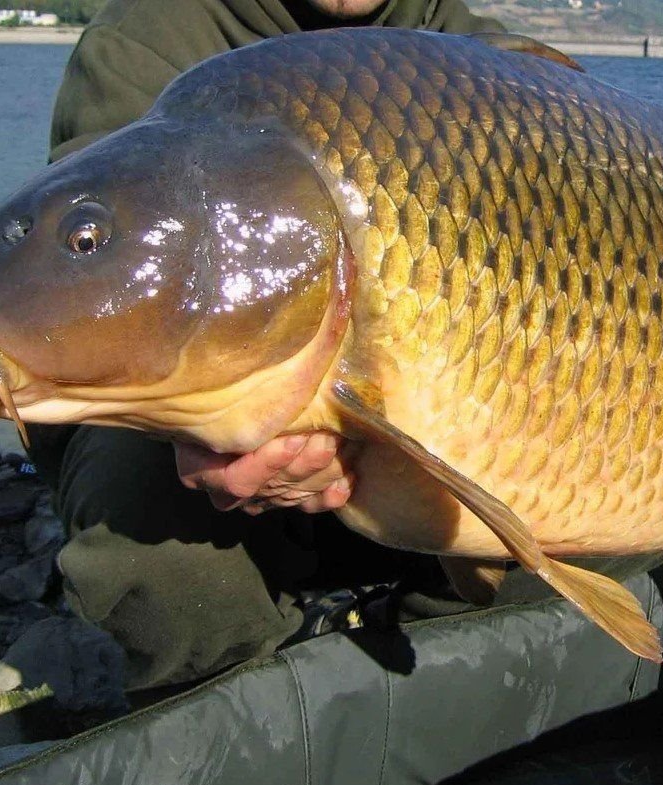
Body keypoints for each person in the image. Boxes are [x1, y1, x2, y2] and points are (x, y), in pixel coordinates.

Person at [32, 0, 505, 692]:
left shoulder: (485, 61)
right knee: (149, 555)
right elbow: (91, 291)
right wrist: (203, 430)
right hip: (192, 435)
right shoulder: (147, 39)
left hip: (454, 392)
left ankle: (419, 673)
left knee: (610, 514)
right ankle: (247, 713)